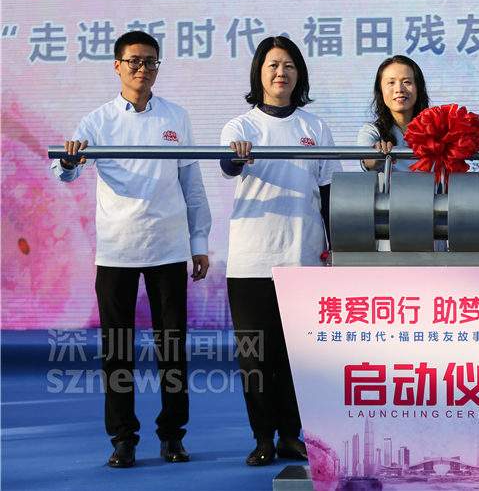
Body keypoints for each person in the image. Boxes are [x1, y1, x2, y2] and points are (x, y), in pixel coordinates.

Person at [51, 30, 211, 468]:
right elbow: (66, 171)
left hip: (168, 247)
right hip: (117, 250)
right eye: (135, 61)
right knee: (117, 350)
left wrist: (198, 242)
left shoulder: (176, 116)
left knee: (172, 348)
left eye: (151, 61)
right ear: (117, 66)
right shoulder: (97, 121)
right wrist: (67, 161)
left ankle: (172, 435)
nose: (143, 68)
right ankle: (123, 438)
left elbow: (192, 185)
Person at [220, 36, 341, 466]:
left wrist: (336, 247)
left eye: (289, 65)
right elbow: (227, 165)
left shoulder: (316, 128)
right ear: (259, 72)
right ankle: (262, 438)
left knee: (298, 358)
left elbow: (328, 193)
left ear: (299, 74)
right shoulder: (240, 127)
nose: (281, 73)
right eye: (273, 65)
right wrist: (237, 157)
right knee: (255, 358)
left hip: (304, 256)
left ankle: (291, 435)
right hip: (252, 260)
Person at [357, 54, 431, 182]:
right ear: (380, 90)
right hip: (390, 195)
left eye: (407, 82)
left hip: (432, 194)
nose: (399, 89)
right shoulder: (372, 131)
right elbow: (369, 161)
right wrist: (379, 154)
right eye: (391, 82)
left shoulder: (436, 129)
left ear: (418, 88)